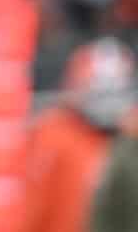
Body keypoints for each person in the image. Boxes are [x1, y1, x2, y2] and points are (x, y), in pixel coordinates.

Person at [22, 37, 135, 232]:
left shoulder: (130, 137)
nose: (109, 102)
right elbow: (31, 209)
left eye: (115, 91)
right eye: (102, 91)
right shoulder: (53, 135)